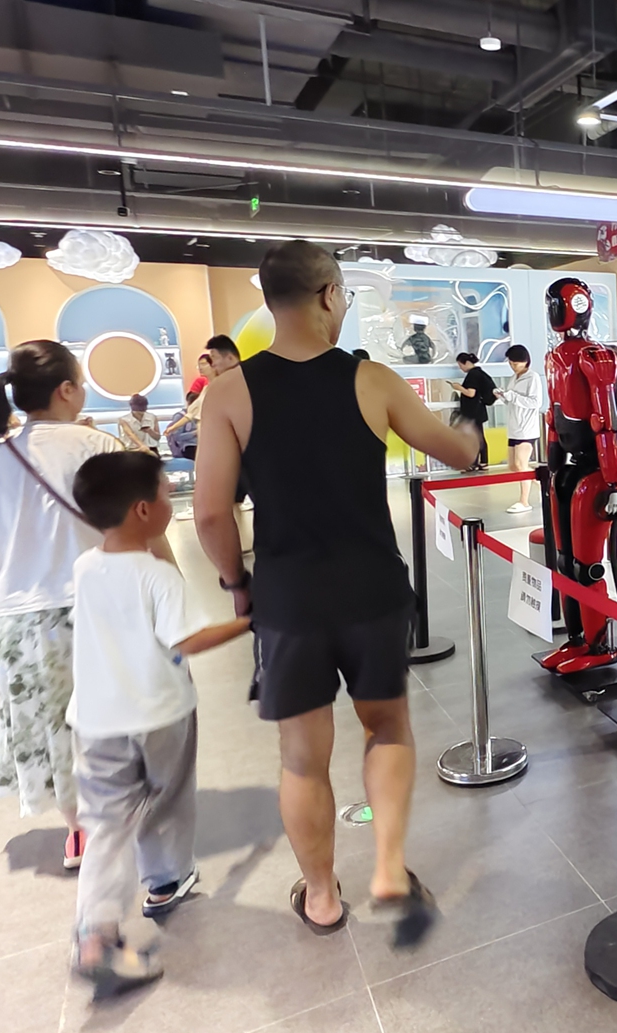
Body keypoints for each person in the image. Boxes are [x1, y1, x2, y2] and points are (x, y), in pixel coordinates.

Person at [195, 239, 479, 936]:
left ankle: (321, 896)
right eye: (345, 295)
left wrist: (238, 584)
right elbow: (460, 453)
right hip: (372, 590)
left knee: (301, 758)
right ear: (328, 296)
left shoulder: (228, 392)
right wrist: (471, 409)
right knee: (387, 729)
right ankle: (387, 866)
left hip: (289, 599)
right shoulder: (373, 380)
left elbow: (209, 512)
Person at [66, 450, 249, 995]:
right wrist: (248, 622)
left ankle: (94, 935)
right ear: (143, 510)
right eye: (169, 495)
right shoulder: (156, 576)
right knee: (167, 794)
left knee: (104, 824)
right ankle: (166, 880)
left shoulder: (84, 566)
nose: (174, 503)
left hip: (96, 720)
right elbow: (187, 640)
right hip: (160, 713)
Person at [0, 340, 138, 869]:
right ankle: (127, 817)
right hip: (97, 604)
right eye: (80, 382)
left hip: (21, 617)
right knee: (115, 719)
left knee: (54, 728)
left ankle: (80, 831)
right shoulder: (96, 446)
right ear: (65, 390)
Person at [500, 343, 545, 512]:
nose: (513, 366)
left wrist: (513, 396)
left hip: (527, 428)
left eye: (516, 363)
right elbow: (513, 400)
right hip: (514, 427)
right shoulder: (514, 378)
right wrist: (505, 397)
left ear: (526, 361)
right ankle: (543, 482)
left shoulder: (532, 377)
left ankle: (524, 501)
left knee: (521, 464)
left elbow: (535, 402)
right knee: (513, 466)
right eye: (511, 363)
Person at [449, 351, 496, 469]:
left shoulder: (473, 375)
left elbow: (471, 393)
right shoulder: (480, 373)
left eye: (460, 365)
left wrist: (458, 387)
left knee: (475, 437)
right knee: (477, 436)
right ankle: (479, 461)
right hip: (478, 410)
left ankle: (477, 462)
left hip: (473, 411)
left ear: (466, 363)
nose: (460, 368)